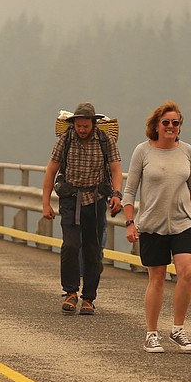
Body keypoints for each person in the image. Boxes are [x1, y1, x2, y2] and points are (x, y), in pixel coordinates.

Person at [122, 100, 191, 354]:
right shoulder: (143, 151)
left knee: (186, 273)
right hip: (152, 225)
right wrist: (129, 222)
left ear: (180, 127)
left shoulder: (187, 151)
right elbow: (129, 191)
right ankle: (151, 333)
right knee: (157, 277)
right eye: (166, 122)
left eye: (175, 123)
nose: (171, 126)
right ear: (156, 125)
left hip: (183, 223)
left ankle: (178, 329)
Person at [41, 102, 123, 315]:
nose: (82, 130)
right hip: (71, 198)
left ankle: (88, 297)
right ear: (74, 124)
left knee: (92, 250)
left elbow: (115, 170)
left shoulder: (106, 141)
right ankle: (70, 291)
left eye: (86, 126)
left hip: (95, 200)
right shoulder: (65, 140)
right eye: (79, 126)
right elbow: (51, 171)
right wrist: (46, 202)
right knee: (70, 245)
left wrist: (116, 194)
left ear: (93, 124)